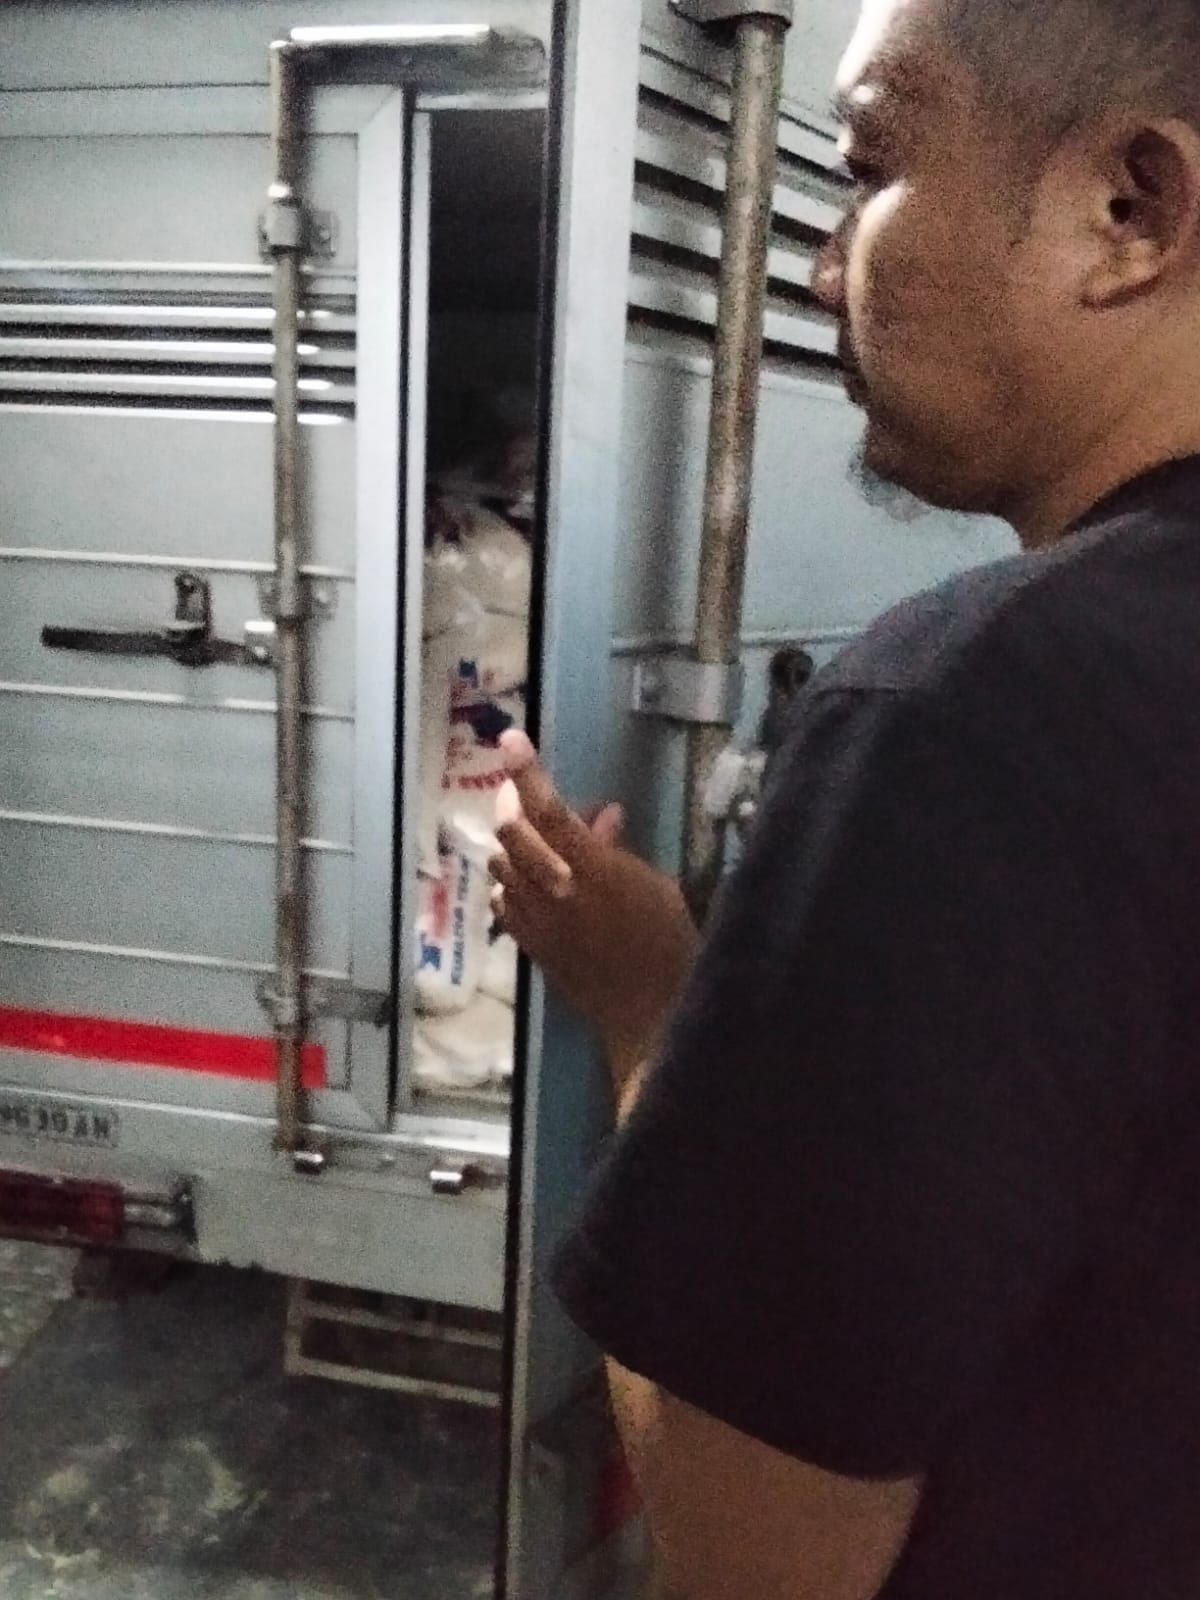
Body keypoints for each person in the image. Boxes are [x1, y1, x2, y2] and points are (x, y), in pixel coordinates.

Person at [489, 0, 1200, 1594]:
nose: (822, 271)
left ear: (1128, 209)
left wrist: (652, 1011)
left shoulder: (977, 719)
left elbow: (752, 1560)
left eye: (870, 167)